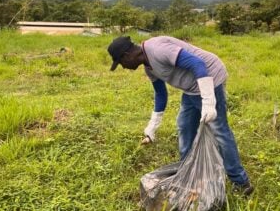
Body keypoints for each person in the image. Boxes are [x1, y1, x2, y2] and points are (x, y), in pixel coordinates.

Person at [107, 35, 253, 195]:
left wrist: (208, 101)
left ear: (127, 56)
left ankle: (241, 182)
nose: (124, 67)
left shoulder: (158, 50)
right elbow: (161, 94)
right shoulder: (149, 67)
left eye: (121, 63)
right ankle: (189, 172)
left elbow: (197, 63)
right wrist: (153, 125)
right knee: (184, 126)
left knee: (220, 131)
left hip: (211, 77)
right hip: (191, 88)